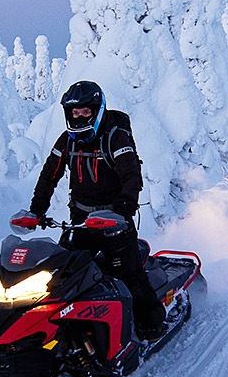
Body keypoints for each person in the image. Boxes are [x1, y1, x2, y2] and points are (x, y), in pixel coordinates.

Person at [13, 80, 166, 340]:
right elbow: (49, 175)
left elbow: (131, 176)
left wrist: (122, 210)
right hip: (81, 220)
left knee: (128, 273)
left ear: (97, 110)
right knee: (61, 273)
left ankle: (153, 323)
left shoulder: (115, 136)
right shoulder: (67, 141)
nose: (80, 116)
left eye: (86, 111)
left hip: (114, 221)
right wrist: (36, 211)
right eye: (75, 112)